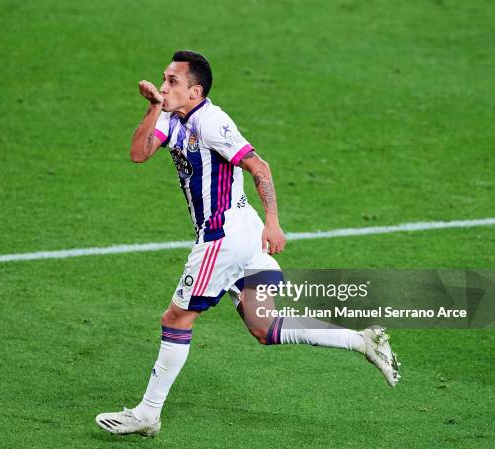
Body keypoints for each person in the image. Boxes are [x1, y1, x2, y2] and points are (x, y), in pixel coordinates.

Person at [96, 50, 400, 437]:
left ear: (196, 90)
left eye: (172, 81)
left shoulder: (212, 121)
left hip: (223, 236)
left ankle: (147, 413)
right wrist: (155, 107)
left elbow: (259, 166)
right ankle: (359, 340)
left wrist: (273, 222)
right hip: (240, 231)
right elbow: (139, 154)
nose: (164, 85)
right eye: (163, 78)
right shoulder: (172, 117)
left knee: (175, 319)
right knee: (264, 326)